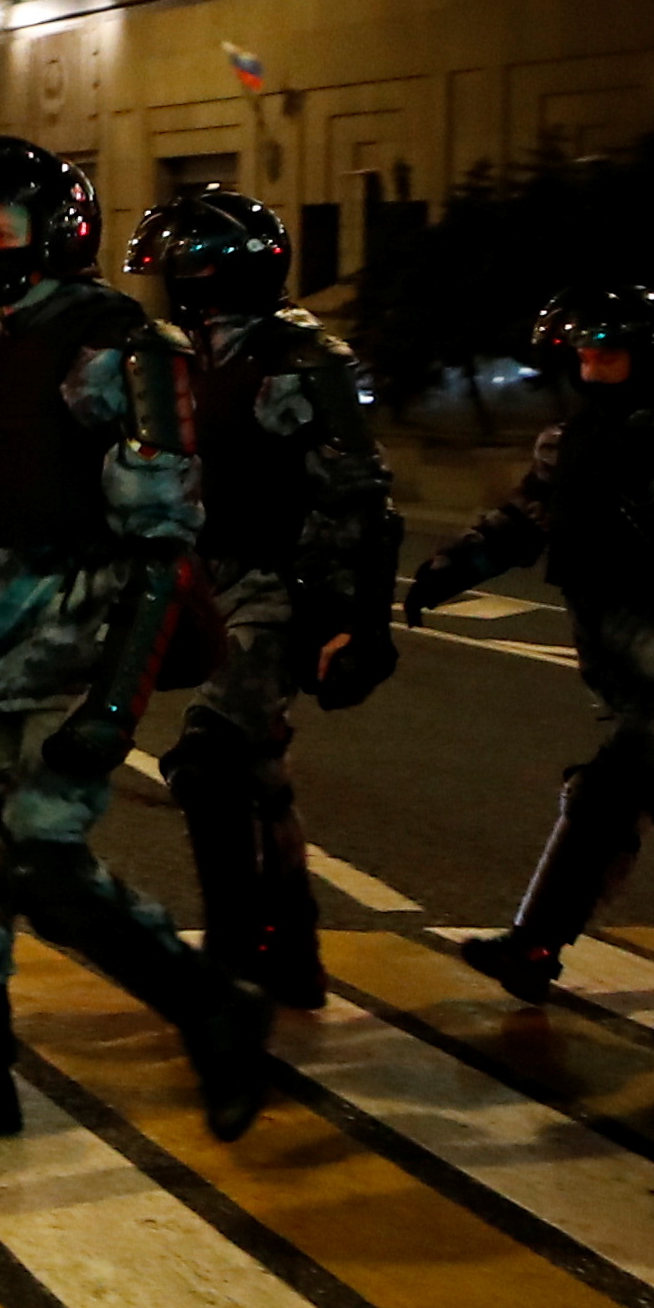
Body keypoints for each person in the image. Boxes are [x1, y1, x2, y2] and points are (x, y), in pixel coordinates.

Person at [0, 138, 273, 1142]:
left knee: (42, 866)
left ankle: (213, 1010)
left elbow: (161, 542)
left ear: (56, 231)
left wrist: (113, 701)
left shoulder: (118, 346)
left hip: (77, 641)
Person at [403, 286, 654, 1002]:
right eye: (585, 355)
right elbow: (528, 513)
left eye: (610, 354)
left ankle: (538, 945)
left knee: (620, 784)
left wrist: (643, 490)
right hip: (607, 637)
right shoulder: (578, 436)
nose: (593, 367)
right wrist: (450, 568)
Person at [128, 187, 400, 1011]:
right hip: (203, 579)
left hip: (275, 586)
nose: (175, 283)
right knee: (255, 771)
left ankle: (238, 952)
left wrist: (355, 620)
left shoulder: (299, 361)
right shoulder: (187, 354)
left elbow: (360, 498)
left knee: (208, 764)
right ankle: (291, 950)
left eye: (186, 266)